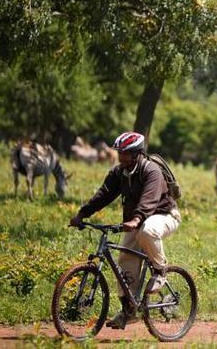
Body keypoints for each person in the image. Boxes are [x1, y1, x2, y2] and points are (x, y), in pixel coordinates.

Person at [69, 131, 182, 329]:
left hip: (165, 215)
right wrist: (82, 214)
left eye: (126, 153)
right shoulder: (118, 172)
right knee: (124, 263)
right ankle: (128, 311)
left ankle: (160, 270)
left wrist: (137, 218)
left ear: (138, 153)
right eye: (120, 152)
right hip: (137, 221)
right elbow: (103, 195)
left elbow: (150, 199)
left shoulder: (151, 171)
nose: (122, 157)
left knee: (147, 231)